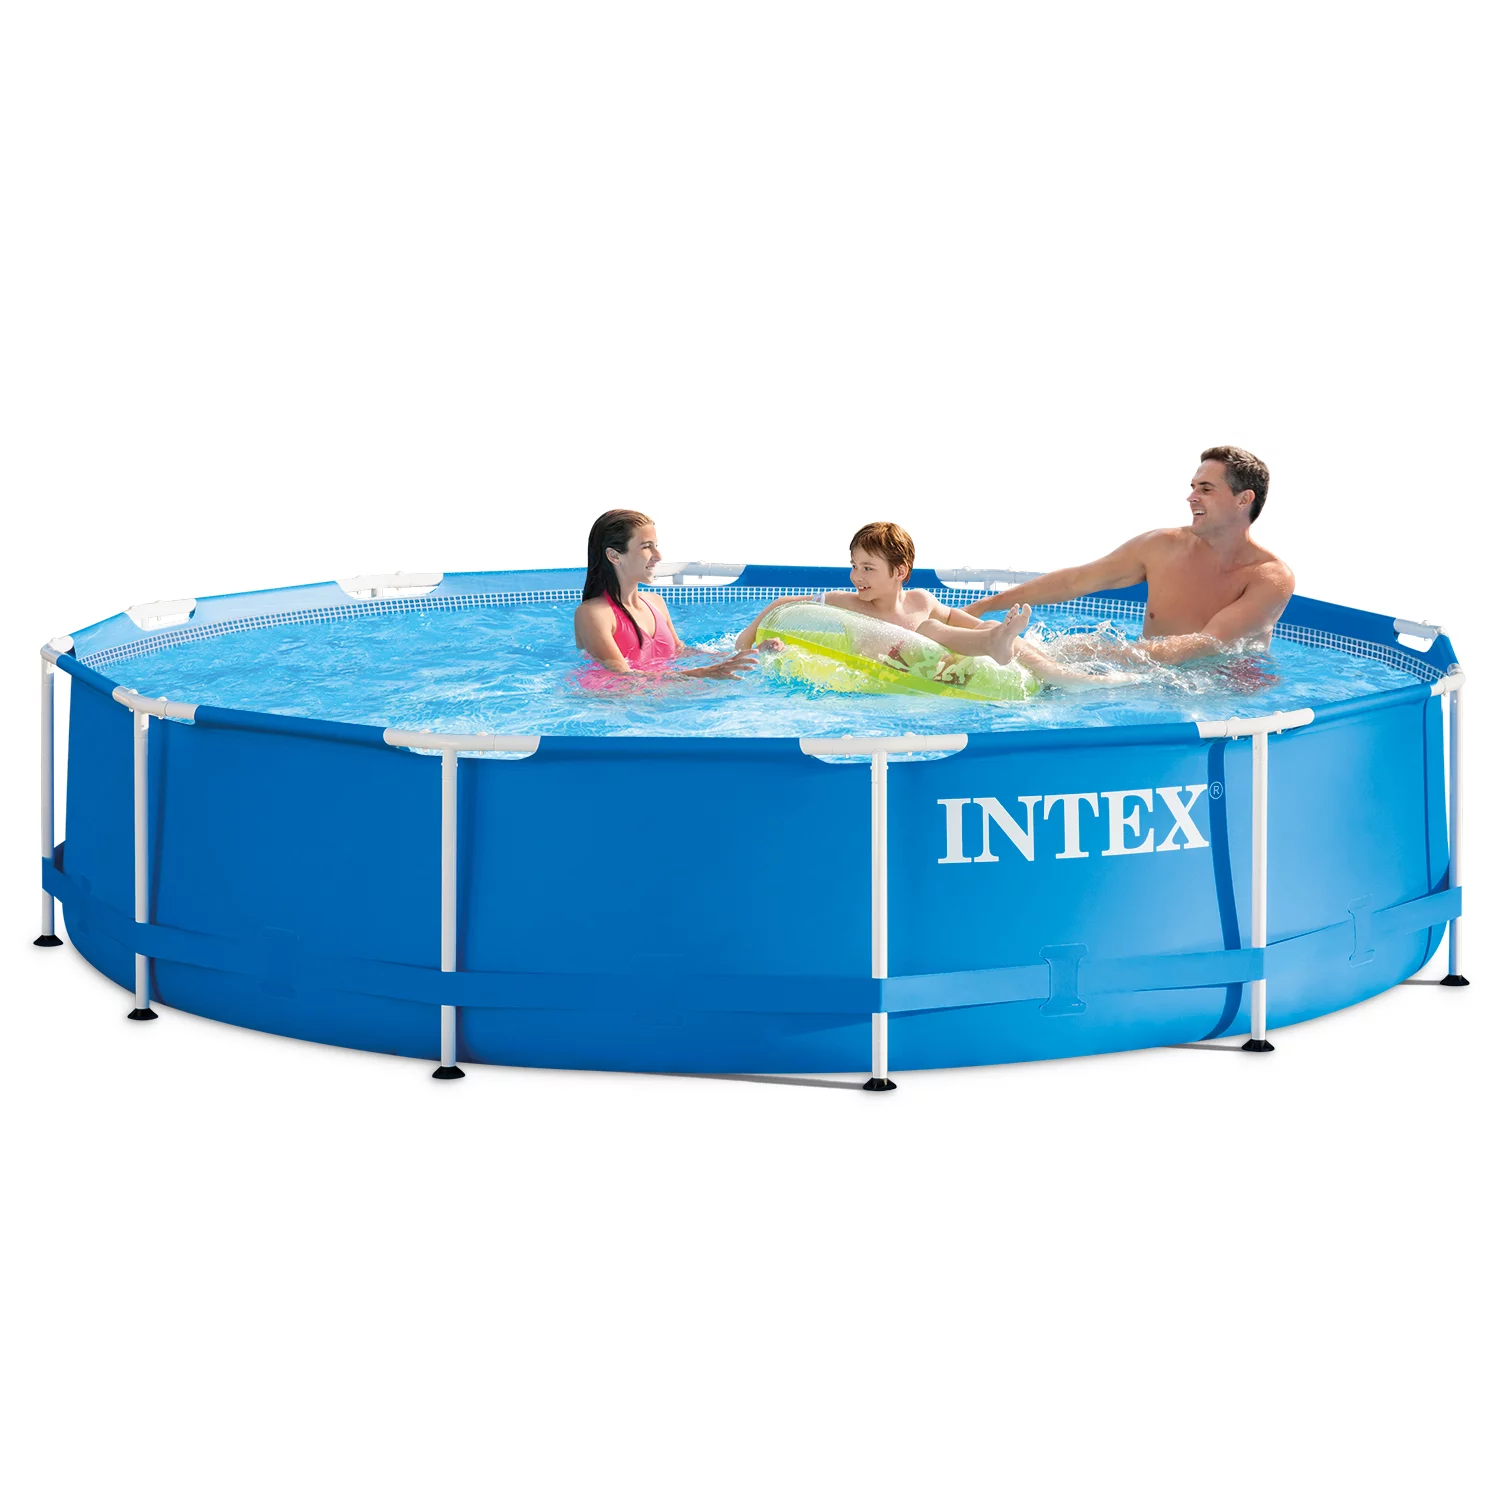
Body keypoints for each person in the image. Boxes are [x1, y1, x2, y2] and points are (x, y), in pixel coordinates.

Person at [963, 446, 1294, 665]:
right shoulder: (1161, 546)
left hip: (1224, 699)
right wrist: (985, 605)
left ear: (1243, 499)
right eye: (1193, 487)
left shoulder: (1269, 577)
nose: (1191, 497)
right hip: (1149, 676)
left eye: (1206, 489)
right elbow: (1075, 581)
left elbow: (1206, 645)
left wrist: (1093, 656)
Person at [734, 522, 1101, 686]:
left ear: (899, 572)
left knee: (973, 627)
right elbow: (783, 604)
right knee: (930, 630)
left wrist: (992, 627)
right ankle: (995, 642)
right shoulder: (846, 604)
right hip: (891, 674)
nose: (856, 576)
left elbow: (961, 619)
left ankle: (1026, 656)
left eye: (867, 568)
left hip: (941, 667)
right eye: (854, 565)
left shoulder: (920, 600)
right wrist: (748, 644)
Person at [574, 509, 757, 679]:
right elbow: (625, 679)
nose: (658, 555)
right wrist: (703, 673)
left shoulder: (656, 602)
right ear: (614, 556)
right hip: (615, 701)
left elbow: (679, 651)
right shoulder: (593, 614)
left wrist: (749, 655)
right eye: (646, 546)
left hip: (665, 694)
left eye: (656, 545)